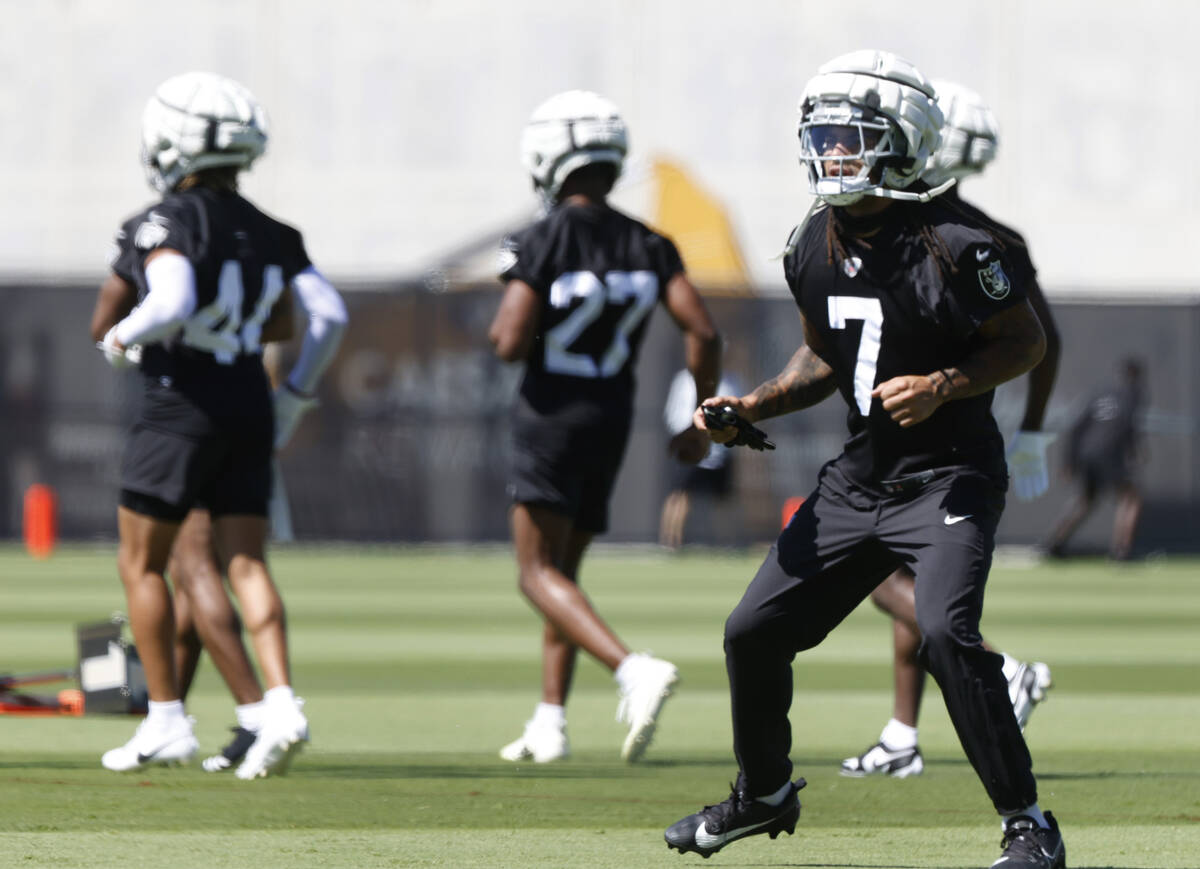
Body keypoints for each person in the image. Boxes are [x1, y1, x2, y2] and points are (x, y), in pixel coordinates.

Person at [665, 51, 1065, 869]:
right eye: (824, 134)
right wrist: (752, 407)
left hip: (949, 476)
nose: (832, 150)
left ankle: (1029, 825)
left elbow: (1026, 340)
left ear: (904, 143)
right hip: (860, 478)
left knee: (949, 634)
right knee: (751, 631)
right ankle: (764, 793)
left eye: (851, 136)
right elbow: (825, 358)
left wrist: (947, 382)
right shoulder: (812, 239)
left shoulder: (958, 243)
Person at [90, 71, 327, 779]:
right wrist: (296, 393)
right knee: (245, 562)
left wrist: (122, 337)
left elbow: (171, 297)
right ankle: (277, 701)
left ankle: (168, 718)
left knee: (144, 564)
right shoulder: (272, 229)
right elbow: (307, 317)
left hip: (178, 410)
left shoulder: (164, 220)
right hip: (249, 406)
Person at [489, 90, 721, 764]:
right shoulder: (648, 241)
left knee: (535, 574)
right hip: (612, 415)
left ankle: (630, 667)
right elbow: (702, 330)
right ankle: (549, 721)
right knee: (566, 571)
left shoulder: (543, 237)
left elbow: (507, 341)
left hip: (550, 414)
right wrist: (702, 413)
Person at [840, 80, 1061, 780]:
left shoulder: (940, 235)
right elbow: (1045, 340)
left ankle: (999, 669)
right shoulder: (983, 230)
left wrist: (1026, 430)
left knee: (891, 579)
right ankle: (902, 732)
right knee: (917, 584)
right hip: (933, 431)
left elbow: (1034, 339)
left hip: (933, 437)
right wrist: (1028, 429)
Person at [1046, 357, 1146, 560]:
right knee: (1130, 498)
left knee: (1087, 500)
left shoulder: (1100, 393)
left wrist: (1069, 461)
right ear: (1136, 376)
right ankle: (1121, 550)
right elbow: (1128, 426)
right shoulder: (1132, 394)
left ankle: (1055, 543)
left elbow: (1075, 427)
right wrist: (1135, 450)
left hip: (1086, 453)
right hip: (1108, 453)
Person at [659, 369, 739, 550]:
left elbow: (741, 412)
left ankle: (727, 546)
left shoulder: (732, 380)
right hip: (692, 449)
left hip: (720, 451)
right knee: (680, 495)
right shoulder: (683, 379)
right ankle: (670, 543)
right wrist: (690, 437)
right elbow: (673, 412)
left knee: (723, 498)